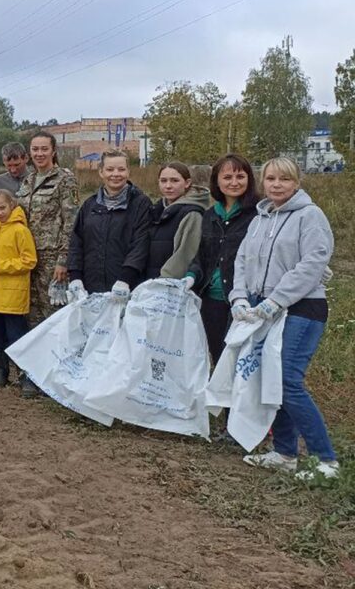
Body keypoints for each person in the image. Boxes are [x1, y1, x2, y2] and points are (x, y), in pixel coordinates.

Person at [231, 158, 339, 480]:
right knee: (269, 379)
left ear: (297, 182)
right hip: (262, 308)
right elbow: (242, 259)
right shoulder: (259, 219)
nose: (277, 185)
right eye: (271, 179)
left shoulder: (310, 216)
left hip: (302, 308)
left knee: (287, 381)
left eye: (285, 179)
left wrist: (276, 300)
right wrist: (239, 297)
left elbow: (313, 263)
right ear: (263, 182)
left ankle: (326, 460)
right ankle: (285, 452)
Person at [189, 154, 259, 365]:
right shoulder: (210, 215)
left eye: (240, 176)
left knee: (241, 358)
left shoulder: (258, 213)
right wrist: (191, 276)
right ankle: (220, 397)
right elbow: (202, 254)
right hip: (212, 298)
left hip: (245, 300)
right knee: (218, 356)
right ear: (217, 181)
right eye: (227, 177)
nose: (234, 182)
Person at [67, 149, 152, 301]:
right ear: (101, 172)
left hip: (125, 288)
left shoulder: (141, 204)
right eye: (110, 169)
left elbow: (141, 244)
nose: (115, 174)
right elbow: (76, 242)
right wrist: (75, 277)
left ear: (128, 172)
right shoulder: (90, 205)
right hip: (90, 286)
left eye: (121, 169)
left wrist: (125, 279)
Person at [16, 131, 79, 327]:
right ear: (30, 152)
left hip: (51, 258)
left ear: (53, 151)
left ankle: (57, 356)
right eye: (35, 149)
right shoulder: (28, 180)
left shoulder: (65, 179)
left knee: (53, 312)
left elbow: (72, 221)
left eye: (44, 149)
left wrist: (63, 261)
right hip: (27, 257)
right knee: (30, 312)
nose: (39, 153)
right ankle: (34, 357)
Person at [0, 189, 38, 390]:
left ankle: (25, 375)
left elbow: (29, 261)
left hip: (12, 296)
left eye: (2, 208)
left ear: (12, 205)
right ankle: (1, 370)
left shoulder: (21, 231)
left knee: (17, 337)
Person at [144, 162, 209, 283]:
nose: (168, 186)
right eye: (163, 181)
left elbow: (185, 255)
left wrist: (163, 281)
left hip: (169, 285)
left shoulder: (192, 213)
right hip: (149, 282)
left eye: (174, 180)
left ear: (187, 183)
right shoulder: (157, 210)